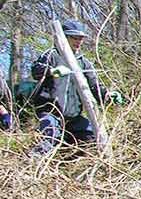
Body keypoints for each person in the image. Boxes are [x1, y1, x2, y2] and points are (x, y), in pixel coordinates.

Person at [30, 21, 111, 154]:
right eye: (74, 38)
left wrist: (108, 95)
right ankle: (32, 168)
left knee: (91, 137)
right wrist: (52, 71)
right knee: (48, 140)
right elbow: (36, 71)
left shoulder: (84, 63)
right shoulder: (51, 55)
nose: (78, 41)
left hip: (74, 117)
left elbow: (95, 87)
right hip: (51, 113)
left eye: (81, 38)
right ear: (64, 37)